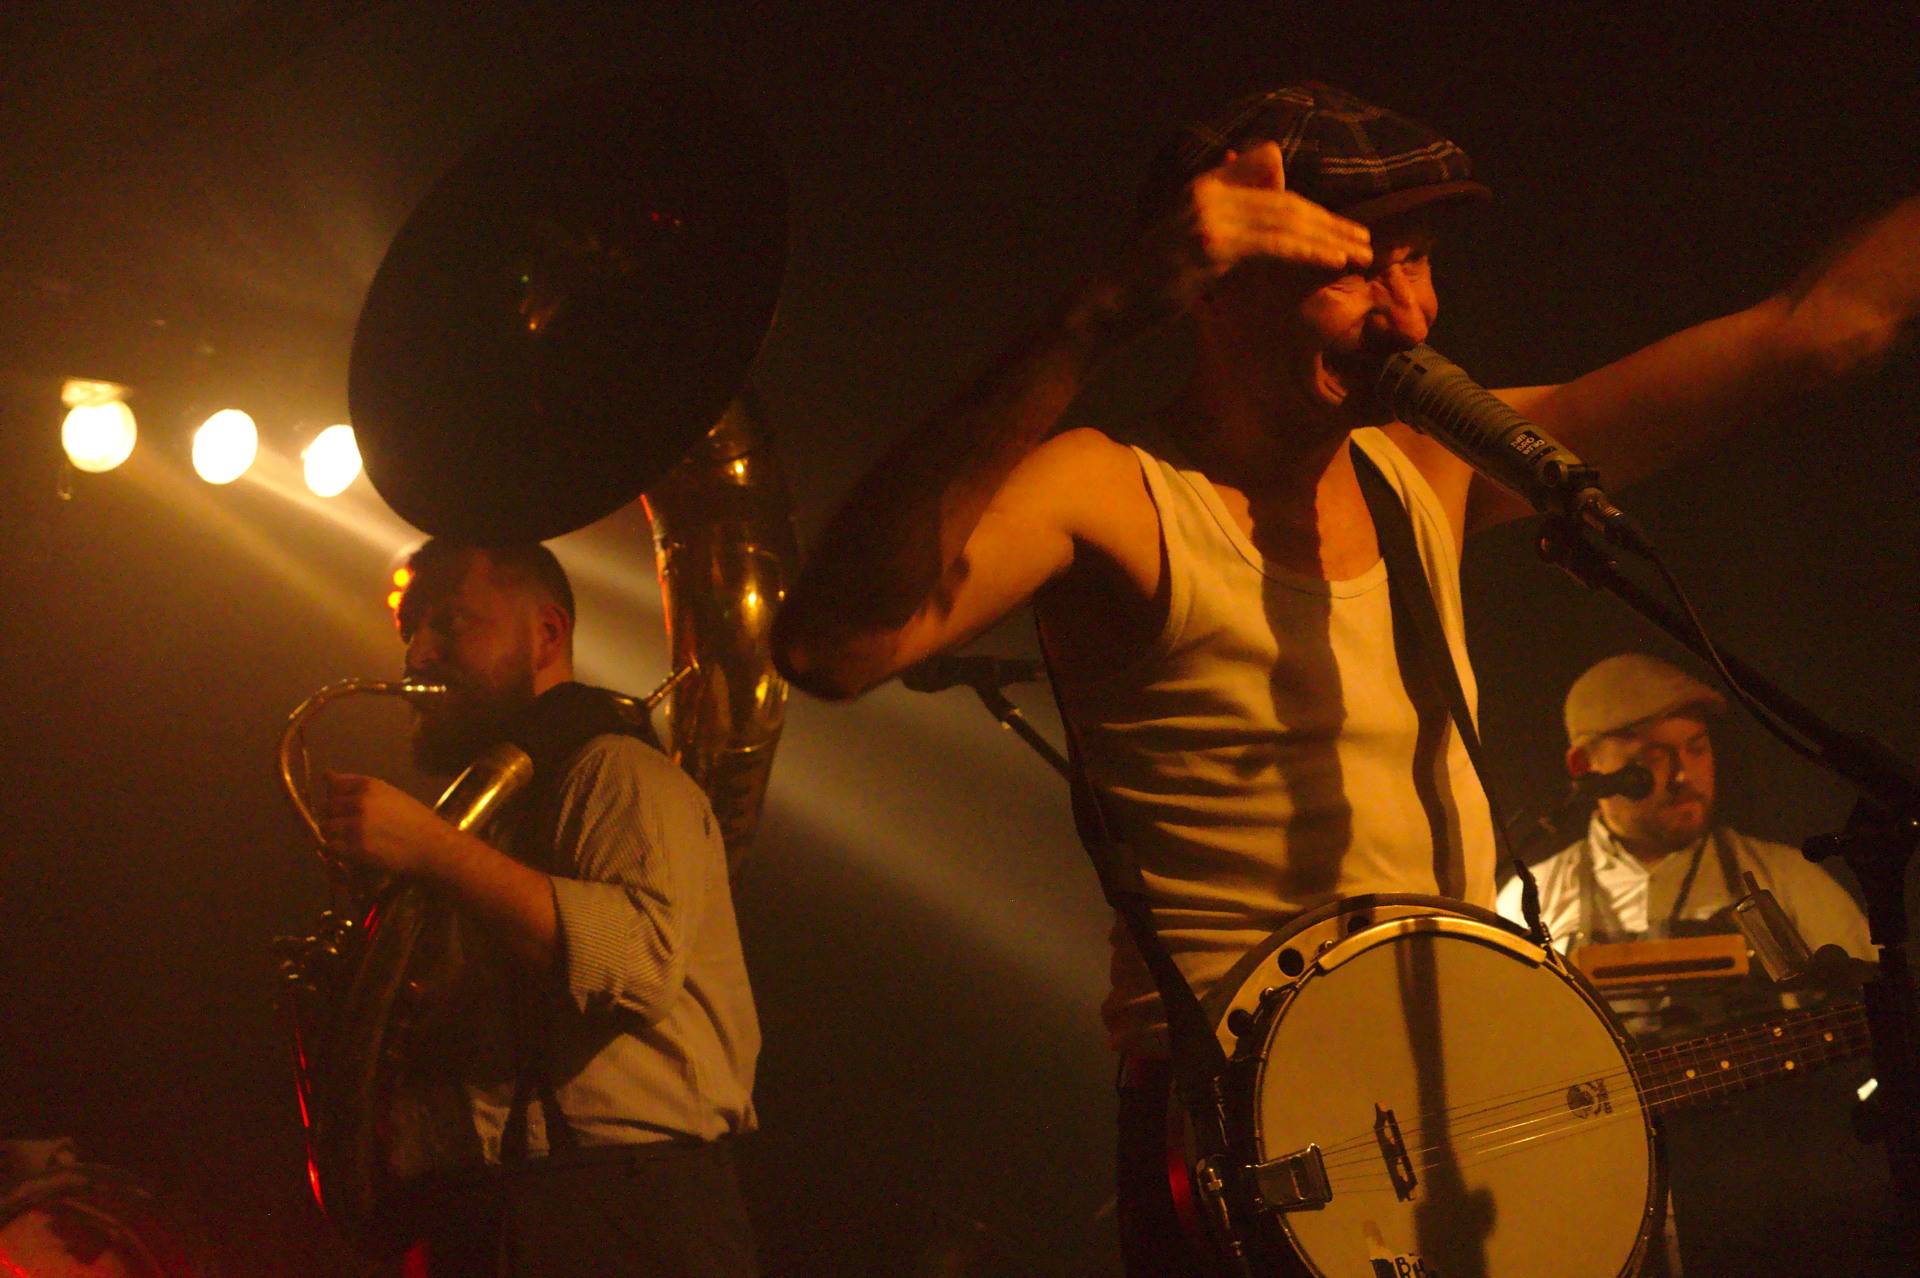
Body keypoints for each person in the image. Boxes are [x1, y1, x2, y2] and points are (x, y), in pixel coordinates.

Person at [770, 80, 1919, 1275]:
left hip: (1467, 1092)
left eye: (1415, 262)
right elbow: (833, 647)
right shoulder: (1111, 491)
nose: (1408, 316)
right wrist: (1095, 314)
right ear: (1212, 285)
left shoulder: (1424, 466)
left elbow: (1819, 333)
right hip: (1244, 1149)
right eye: (1355, 270)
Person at [320, 539, 759, 1277]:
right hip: (499, 1210)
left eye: (448, 622)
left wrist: (432, 850)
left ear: (546, 633)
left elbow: (638, 961)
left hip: (620, 1214)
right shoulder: (493, 815)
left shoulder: (618, 770)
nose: (417, 653)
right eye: (410, 631)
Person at [1497, 651, 1872, 964]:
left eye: (1697, 748)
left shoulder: (1793, 883)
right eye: (1654, 756)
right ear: (1583, 765)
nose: (1684, 776)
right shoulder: (1527, 901)